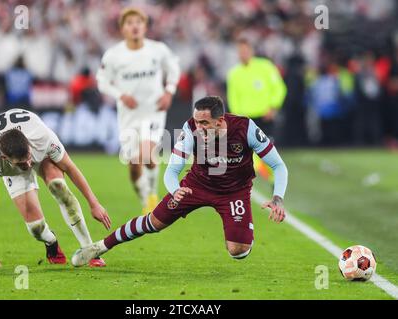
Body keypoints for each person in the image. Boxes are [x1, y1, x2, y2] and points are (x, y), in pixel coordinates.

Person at [88, 96, 288, 261]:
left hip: (234, 192)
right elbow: (172, 171)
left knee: (239, 251)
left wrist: (277, 198)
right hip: (196, 186)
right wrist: (176, 191)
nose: (199, 127)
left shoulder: (245, 128)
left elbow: (278, 165)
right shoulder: (190, 129)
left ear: (220, 121)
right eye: (197, 121)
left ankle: (242, 232)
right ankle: (100, 246)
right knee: (154, 223)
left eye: (204, 123)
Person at [0, 108, 111, 268]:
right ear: (4, 157)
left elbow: (70, 167)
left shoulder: (41, 137)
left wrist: (94, 203)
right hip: (14, 173)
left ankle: (90, 251)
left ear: (28, 144)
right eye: (21, 163)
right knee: (36, 228)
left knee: (60, 188)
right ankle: (51, 241)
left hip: (39, 155)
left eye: (27, 158)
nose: (28, 165)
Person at [96, 7, 180, 214]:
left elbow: (174, 69)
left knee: (147, 154)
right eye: (129, 23)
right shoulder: (114, 55)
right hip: (129, 115)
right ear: (122, 28)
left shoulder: (158, 49)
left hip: (154, 110)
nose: (134, 26)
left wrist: (169, 92)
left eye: (138, 22)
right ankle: (144, 197)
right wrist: (121, 95)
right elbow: (102, 82)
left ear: (144, 26)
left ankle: (152, 197)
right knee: (134, 166)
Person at [226, 37, 287, 182]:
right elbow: (233, 98)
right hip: (247, 121)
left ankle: (273, 179)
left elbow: (279, 88)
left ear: (252, 51)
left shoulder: (265, 67)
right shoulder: (234, 74)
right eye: (240, 51)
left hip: (265, 117)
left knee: (266, 153)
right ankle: (272, 180)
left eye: (246, 51)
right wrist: (237, 118)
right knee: (252, 155)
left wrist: (273, 106)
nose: (243, 54)